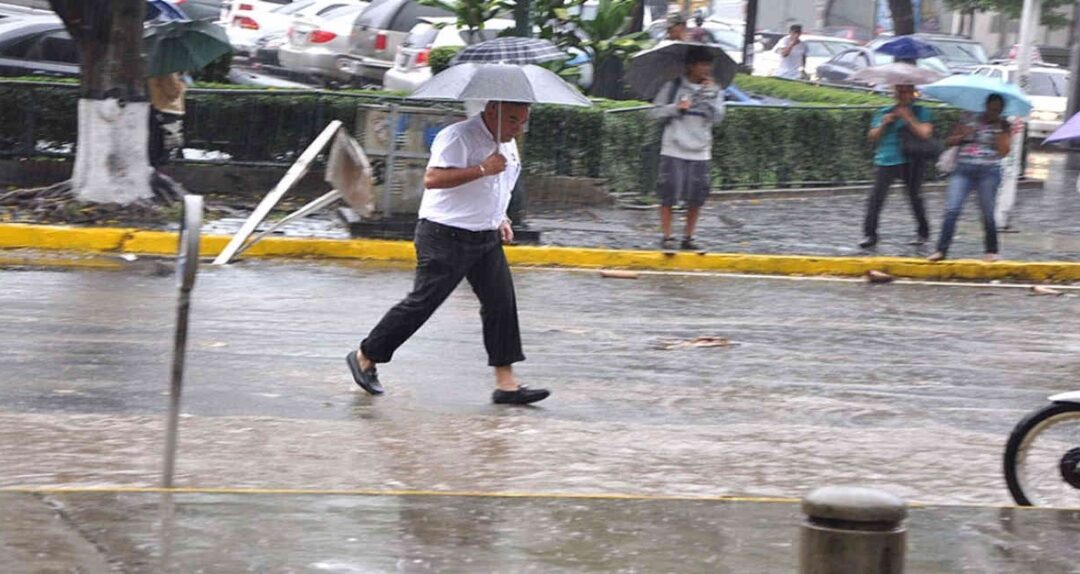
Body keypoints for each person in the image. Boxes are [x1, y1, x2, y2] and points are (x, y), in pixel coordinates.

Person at [346, 101, 550, 406]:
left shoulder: (506, 143)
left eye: (522, 122)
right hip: (445, 233)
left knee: (501, 304)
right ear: (491, 111)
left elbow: (498, 187)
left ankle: (506, 384)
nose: (517, 129)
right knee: (423, 303)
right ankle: (365, 356)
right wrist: (482, 168)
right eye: (512, 121)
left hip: (485, 234)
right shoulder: (458, 137)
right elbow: (433, 179)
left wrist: (502, 217)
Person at [649, 46, 726, 251]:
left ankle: (688, 237)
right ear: (691, 66)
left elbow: (718, 118)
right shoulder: (673, 87)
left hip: (701, 149)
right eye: (702, 64)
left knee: (697, 195)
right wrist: (676, 107)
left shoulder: (715, 89)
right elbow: (655, 112)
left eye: (709, 65)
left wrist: (708, 98)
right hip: (673, 147)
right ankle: (667, 236)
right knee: (669, 193)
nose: (706, 69)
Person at [928, 94, 1011, 262]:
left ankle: (991, 250)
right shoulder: (968, 116)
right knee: (952, 209)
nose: (993, 112)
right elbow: (950, 141)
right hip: (963, 168)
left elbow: (1004, 151)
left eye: (997, 109)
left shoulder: (1003, 125)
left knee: (987, 211)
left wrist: (998, 129)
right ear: (985, 105)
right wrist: (963, 135)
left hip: (989, 170)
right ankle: (941, 250)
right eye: (991, 108)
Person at [860, 84, 933, 249]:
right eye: (899, 91)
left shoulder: (921, 111)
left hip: (911, 159)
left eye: (906, 91)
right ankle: (870, 234)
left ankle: (923, 232)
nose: (902, 95)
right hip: (887, 159)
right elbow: (872, 136)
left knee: (915, 197)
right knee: (876, 198)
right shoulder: (885, 111)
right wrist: (884, 123)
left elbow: (925, 133)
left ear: (913, 93)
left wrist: (908, 118)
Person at [147, 73, 187, 167]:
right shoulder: (169, 72)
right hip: (168, 111)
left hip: (157, 109)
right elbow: (173, 92)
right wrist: (183, 82)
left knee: (156, 147)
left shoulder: (154, 70)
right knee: (169, 149)